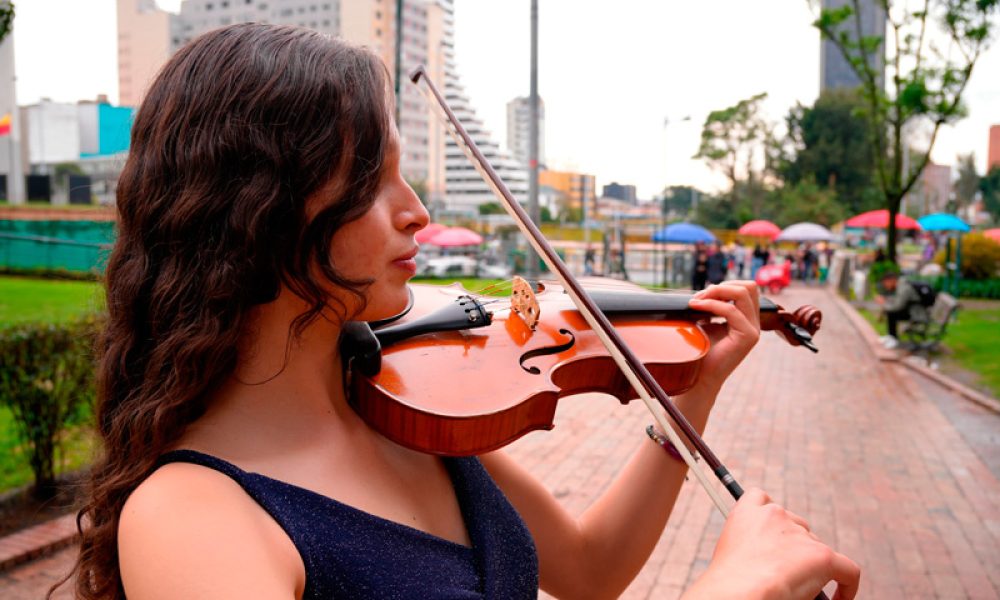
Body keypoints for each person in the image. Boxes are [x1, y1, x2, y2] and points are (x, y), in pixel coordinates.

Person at [60, 24, 859, 600]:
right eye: (374, 180)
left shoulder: (401, 406)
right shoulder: (191, 519)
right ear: (257, 213)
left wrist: (692, 395)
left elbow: (588, 569)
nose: (414, 212)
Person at [876, 271, 928, 349]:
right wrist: (886, 300)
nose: (885, 286)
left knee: (892, 313)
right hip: (911, 311)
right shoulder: (900, 286)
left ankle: (894, 339)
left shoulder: (903, 288)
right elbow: (897, 300)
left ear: (892, 280)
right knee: (891, 312)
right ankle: (891, 336)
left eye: (885, 283)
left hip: (917, 314)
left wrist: (884, 304)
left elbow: (898, 306)